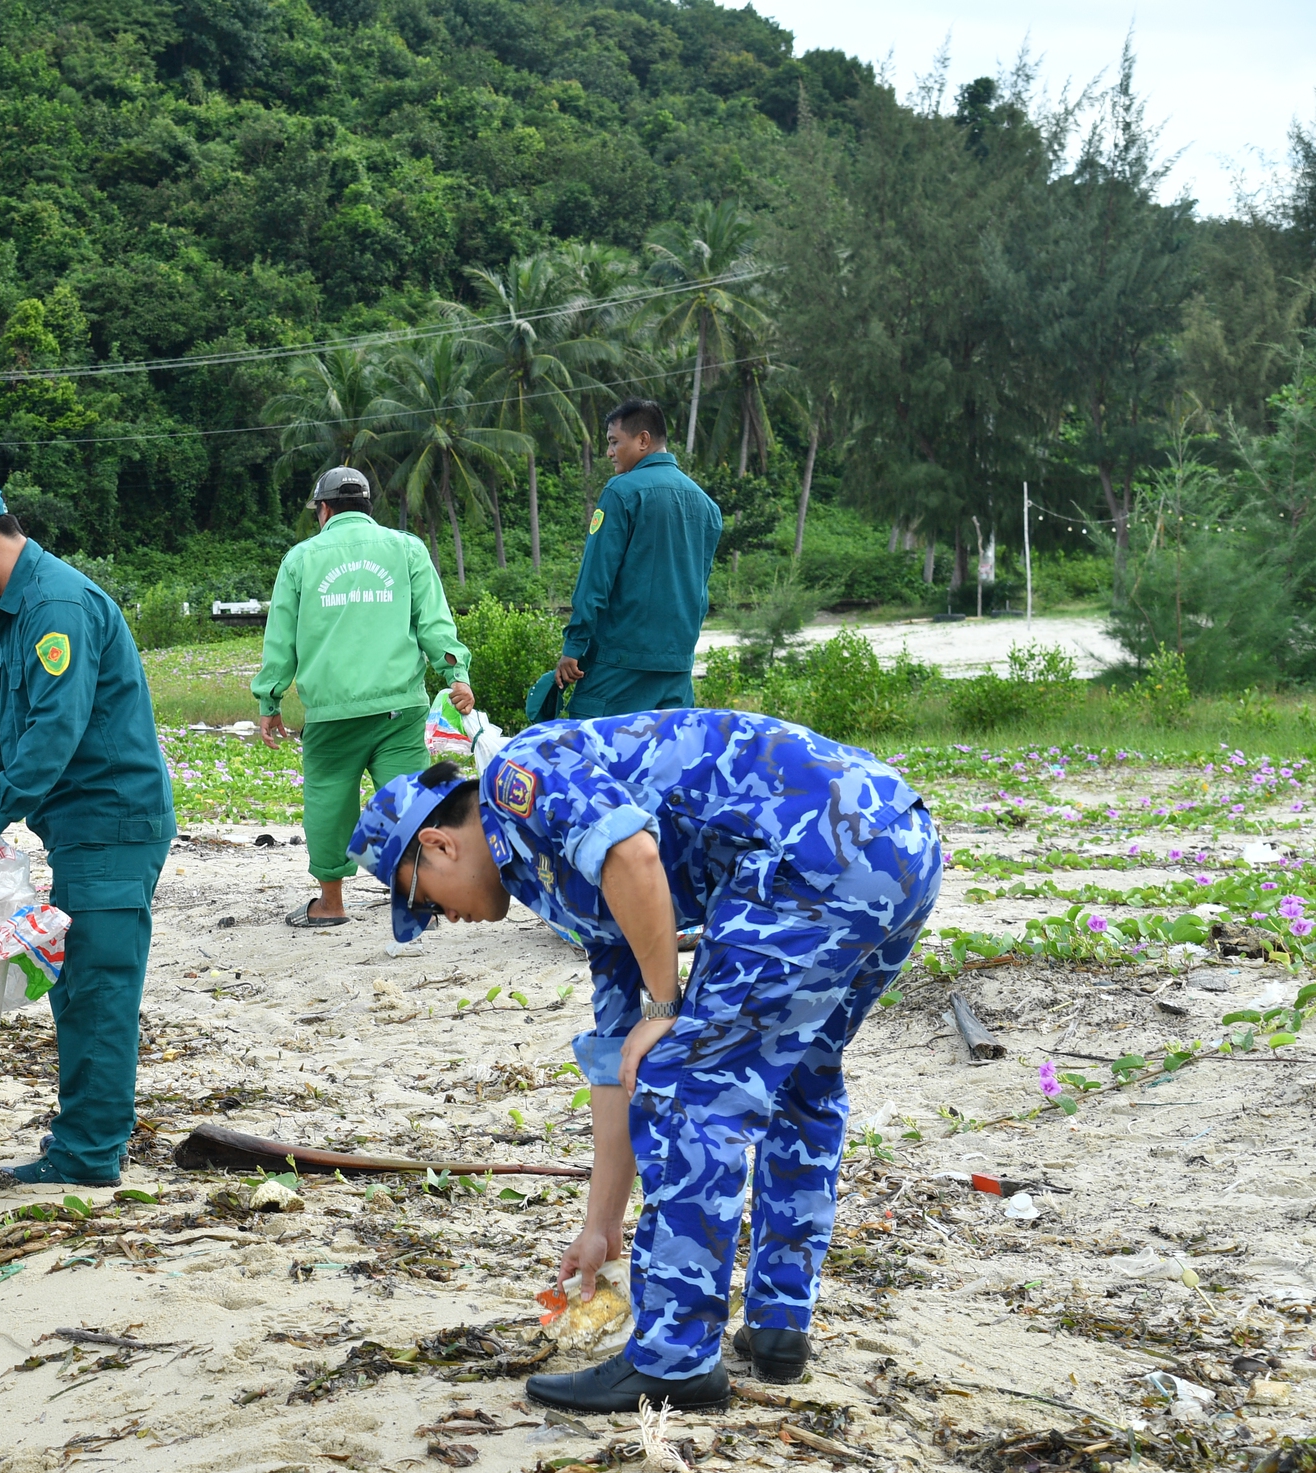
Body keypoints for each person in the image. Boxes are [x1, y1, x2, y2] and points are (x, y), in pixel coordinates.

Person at [345, 710, 940, 1412]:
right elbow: (613, 1058)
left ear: (438, 844)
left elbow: (635, 855)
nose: (442, 920)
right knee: (797, 1079)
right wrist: (601, 1223)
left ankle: (675, 1357)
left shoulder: (516, 778)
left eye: (423, 903)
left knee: (688, 1087)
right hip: (895, 844)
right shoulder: (558, 877)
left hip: (815, 854)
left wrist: (666, 1007)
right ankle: (779, 1329)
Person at [0, 469, 173, 1189]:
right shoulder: (21, 612)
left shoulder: (56, 605)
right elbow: (4, 735)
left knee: (97, 986)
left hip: (112, 821)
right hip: (82, 824)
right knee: (79, 982)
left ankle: (88, 1154)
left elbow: (56, 731)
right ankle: (86, 1139)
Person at [254, 465, 476, 928]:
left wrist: (270, 700)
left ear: (324, 509)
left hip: (333, 713)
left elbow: (281, 642)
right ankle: (421, 900)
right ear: (367, 508)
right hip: (400, 707)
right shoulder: (406, 548)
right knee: (410, 801)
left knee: (330, 803)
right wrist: (456, 673)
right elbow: (433, 622)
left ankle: (332, 904)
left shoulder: (300, 560)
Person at [541, 399, 725, 723]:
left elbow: (595, 581)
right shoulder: (707, 506)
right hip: (677, 669)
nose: (609, 452)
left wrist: (573, 647)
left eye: (614, 442)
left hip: (619, 667)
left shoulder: (622, 492)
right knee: (669, 763)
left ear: (642, 440)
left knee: (594, 759)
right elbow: (699, 592)